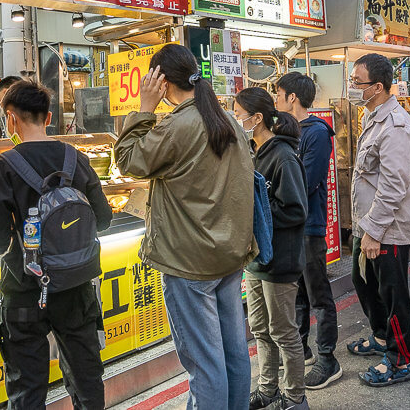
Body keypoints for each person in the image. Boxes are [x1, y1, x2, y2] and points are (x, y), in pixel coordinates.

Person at [114, 44, 255, 410]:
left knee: (205, 364)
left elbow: (128, 159)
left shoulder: (179, 124)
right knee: (233, 353)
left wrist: (144, 108)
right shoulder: (227, 121)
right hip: (229, 254)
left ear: (160, 80)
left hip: (190, 261)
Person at [0, 81, 113, 408]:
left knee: (27, 388)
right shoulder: (76, 158)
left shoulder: (4, 166)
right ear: (49, 116)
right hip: (76, 286)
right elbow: (105, 219)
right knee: (86, 377)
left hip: (24, 289)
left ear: (10, 120)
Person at [345, 53, 410, 387]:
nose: (351, 87)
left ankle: (399, 359)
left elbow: (394, 185)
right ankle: (380, 337)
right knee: (364, 282)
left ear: (377, 87)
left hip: (387, 228)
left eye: (356, 82)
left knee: (393, 294)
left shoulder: (395, 126)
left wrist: (374, 232)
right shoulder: (374, 116)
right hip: (369, 223)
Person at [234, 88, 310, 410]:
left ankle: (295, 397)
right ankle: (267, 390)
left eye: (238, 114)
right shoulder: (251, 151)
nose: (236, 119)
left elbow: (296, 210)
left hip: (280, 260)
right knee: (260, 330)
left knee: (284, 332)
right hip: (255, 261)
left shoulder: (282, 156)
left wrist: (257, 212)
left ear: (257, 118)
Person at [273, 72, 342, 390]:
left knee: (318, 295)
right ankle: (302, 350)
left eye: (278, 94)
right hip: (288, 226)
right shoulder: (286, 131)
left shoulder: (315, 133)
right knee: (297, 295)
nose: (275, 99)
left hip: (310, 225)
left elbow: (307, 180)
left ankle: (329, 359)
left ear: (292, 98)